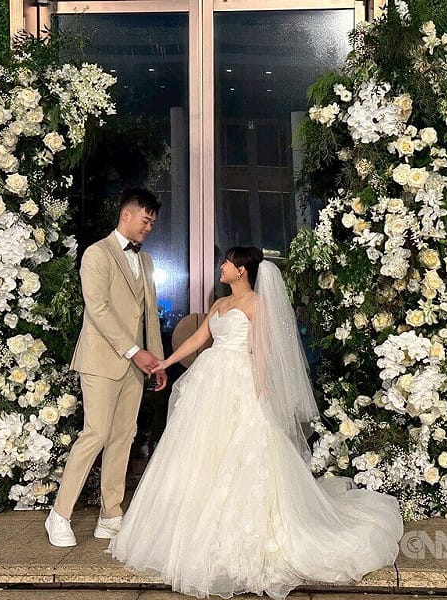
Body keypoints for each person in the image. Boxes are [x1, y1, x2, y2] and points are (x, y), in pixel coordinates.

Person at [109, 246, 403, 600]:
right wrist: (165, 363)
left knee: (243, 453)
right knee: (200, 453)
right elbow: (198, 339)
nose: (222, 266)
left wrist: (262, 389)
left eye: (228, 262)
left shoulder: (257, 304)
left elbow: (263, 349)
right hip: (210, 381)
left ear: (242, 270)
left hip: (240, 382)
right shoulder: (220, 304)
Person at [45, 188, 168, 548]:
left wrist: (156, 360)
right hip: (101, 360)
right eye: (146, 220)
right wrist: (135, 352)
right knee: (95, 433)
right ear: (126, 215)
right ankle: (59, 515)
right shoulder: (96, 254)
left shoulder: (147, 262)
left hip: (136, 365)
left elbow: (149, 315)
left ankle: (110, 514)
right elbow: (97, 309)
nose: (149, 228)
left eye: (152, 223)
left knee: (123, 437)